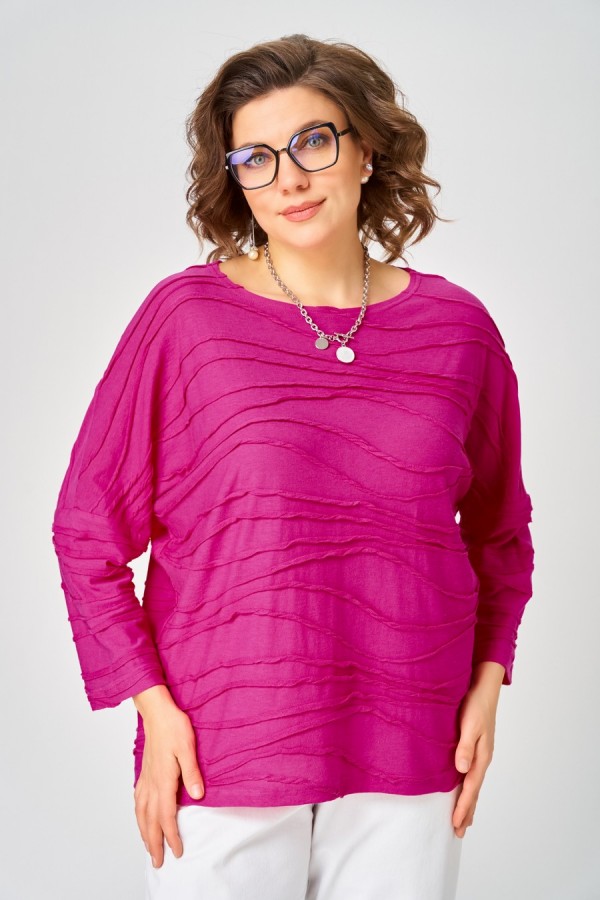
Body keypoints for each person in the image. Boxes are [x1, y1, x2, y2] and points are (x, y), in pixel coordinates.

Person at [51, 33, 535, 900]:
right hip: (222, 748)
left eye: (314, 141)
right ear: (235, 178)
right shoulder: (186, 321)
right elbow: (87, 532)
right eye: (257, 158)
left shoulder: (458, 330)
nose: (290, 180)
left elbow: (501, 534)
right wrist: (153, 709)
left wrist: (489, 684)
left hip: (413, 739)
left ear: (366, 147)